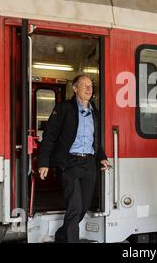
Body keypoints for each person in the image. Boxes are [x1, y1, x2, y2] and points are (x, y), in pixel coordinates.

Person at [38, 74, 111, 243]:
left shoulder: (95, 112)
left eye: (90, 86)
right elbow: (50, 136)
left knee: (83, 207)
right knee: (75, 206)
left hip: (89, 164)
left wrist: (102, 157)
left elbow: (96, 140)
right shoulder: (64, 108)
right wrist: (44, 162)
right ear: (75, 89)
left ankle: (62, 236)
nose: (88, 88)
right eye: (84, 85)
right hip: (69, 163)